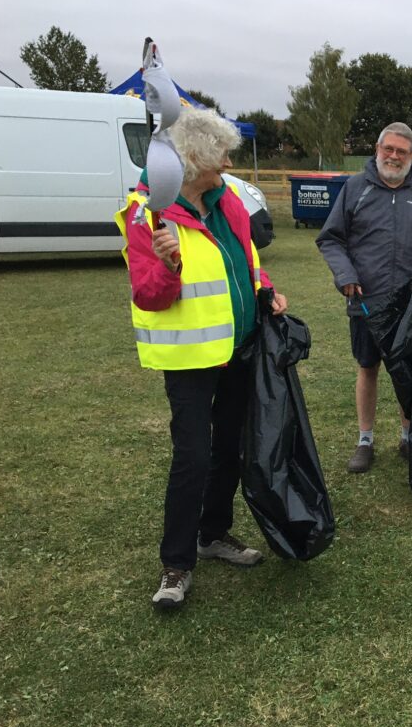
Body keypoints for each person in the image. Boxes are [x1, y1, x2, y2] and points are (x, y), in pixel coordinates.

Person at [116, 108, 288, 610]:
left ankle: (213, 533)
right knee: (192, 455)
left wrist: (266, 290)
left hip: (239, 348)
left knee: (230, 446)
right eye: (221, 157)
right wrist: (169, 265)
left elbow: (247, 259)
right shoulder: (146, 212)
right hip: (190, 358)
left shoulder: (227, 199)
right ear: (192, 161)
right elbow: (148, 295)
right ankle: (176, 565)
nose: (229, 164)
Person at [316, 122, 412, 474]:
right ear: (377, 149)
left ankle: (408, 436)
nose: (394, 156)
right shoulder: (355, 188)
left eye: (402, 151)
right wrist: (345, 275)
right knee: (368, 367)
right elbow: (331, 239)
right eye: (388, 149)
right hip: (366, 299)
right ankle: (365, 440)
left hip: (410, 305)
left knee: (407, 370)